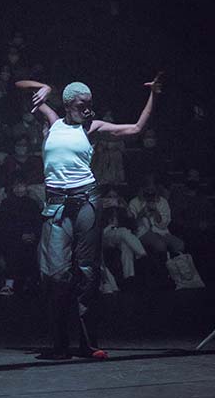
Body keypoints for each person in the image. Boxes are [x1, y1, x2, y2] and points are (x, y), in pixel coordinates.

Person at [15, 72, 164, 360]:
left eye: (89, 104)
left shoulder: (92, 127)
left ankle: (87, 343)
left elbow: (134, 128)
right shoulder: (53, 121)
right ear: (68, 104)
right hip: (57, 204)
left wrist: (153, 95)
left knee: (87, 273)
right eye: (82, 105)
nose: (87, 109)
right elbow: (19, 86)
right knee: (56, 274)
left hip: (86, 201)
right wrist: (45, 87)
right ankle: (59, 343)